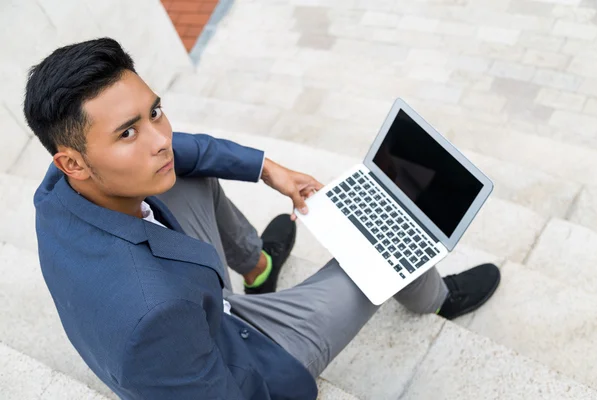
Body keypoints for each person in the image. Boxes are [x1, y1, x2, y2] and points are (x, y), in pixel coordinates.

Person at [25, 38, 501, 400]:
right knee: (386, 244)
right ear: (72, 162)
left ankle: (258, 269)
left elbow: (183, 148)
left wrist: (269, 170)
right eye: (129, 132)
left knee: (187, 173)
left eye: (155, 113)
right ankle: (435, 299)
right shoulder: (153, 314)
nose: (160, 139)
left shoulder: (58, 189)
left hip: (190, 297)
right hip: (246, 350)